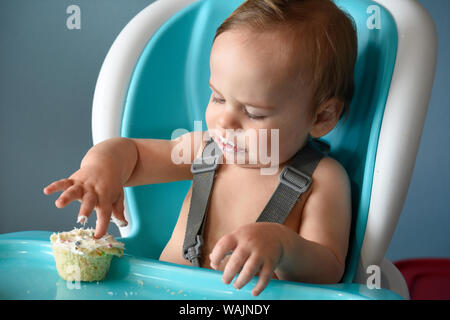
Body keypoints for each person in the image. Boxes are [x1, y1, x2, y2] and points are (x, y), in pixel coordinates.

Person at [43, 0, 357, 296]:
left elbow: (329, 269)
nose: (225, 121)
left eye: (254, 112)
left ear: (322, 116)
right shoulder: (206, 149)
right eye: (218, 98)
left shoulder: (322, 179)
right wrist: (101, 169)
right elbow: (133, 155)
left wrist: (283, 249)